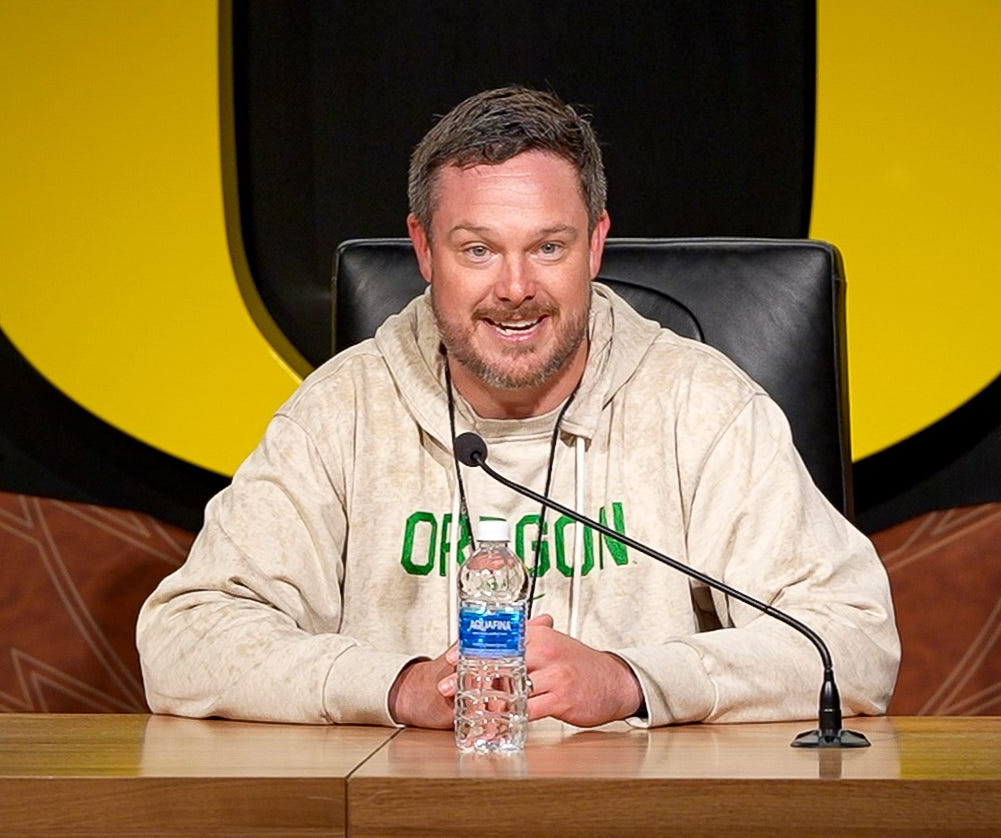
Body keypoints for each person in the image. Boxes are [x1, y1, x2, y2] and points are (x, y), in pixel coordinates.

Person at [137, 86, 900, 728]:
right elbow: (184, 641)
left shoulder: (703, 407)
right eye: (476, 249)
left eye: (548, 247)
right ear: (423, 249)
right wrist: (398, 687)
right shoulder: (342, 412)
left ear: (595, 245)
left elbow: (855, 645)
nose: (513, 288)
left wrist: (631, 681)